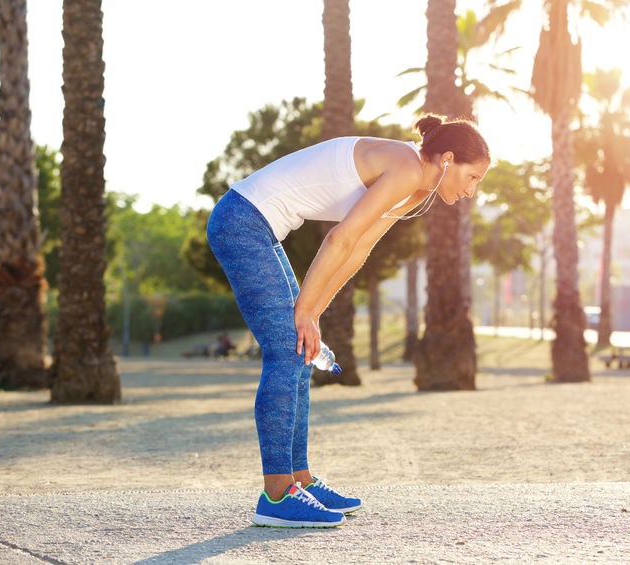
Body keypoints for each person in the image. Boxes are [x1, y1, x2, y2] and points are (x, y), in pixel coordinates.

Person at [206, 114, 491, 528]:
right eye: (473, 176)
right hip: (242, 222)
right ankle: (276, 494)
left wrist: (314, 312)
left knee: (301, 350)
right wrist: (304, 311)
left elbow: (357, 249)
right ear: (447, 159)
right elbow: (338, 238)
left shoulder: (417, 186)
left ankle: (299, 480)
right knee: (287, 351)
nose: (472, 190)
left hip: (261, 228)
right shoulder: (407, 167)